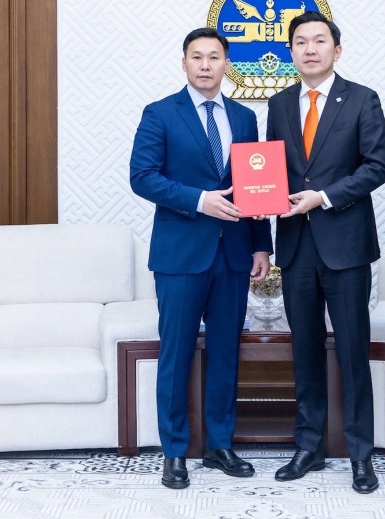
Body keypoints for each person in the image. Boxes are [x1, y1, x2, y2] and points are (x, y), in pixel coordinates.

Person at [130, 27, 272, 490]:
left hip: (233, 254)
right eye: (197, 56)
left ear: (227, 64)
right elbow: (142, 176)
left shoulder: (244, 118)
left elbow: (256, 187)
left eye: (214, 56)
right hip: (180, 256)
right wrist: (199, 200)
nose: (206, 64)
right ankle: (174, 452)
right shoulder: (160, 113)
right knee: (177, 354)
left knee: (226, 352)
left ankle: (219, 445)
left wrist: (261, 244)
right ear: (184, 63)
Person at [265, 11, 385, 494]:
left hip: (346, 245)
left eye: (319, 41)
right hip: (296, 245)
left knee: (354, 351)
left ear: (337, 50)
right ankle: (309, 446)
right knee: (305, 350)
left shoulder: (361, 98)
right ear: (291, 52)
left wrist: (324, 196)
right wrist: (262, 197)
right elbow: (272, 170)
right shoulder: (279, 104)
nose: (310, 49)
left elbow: (377, 165)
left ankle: (361, 455)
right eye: (301, 42)